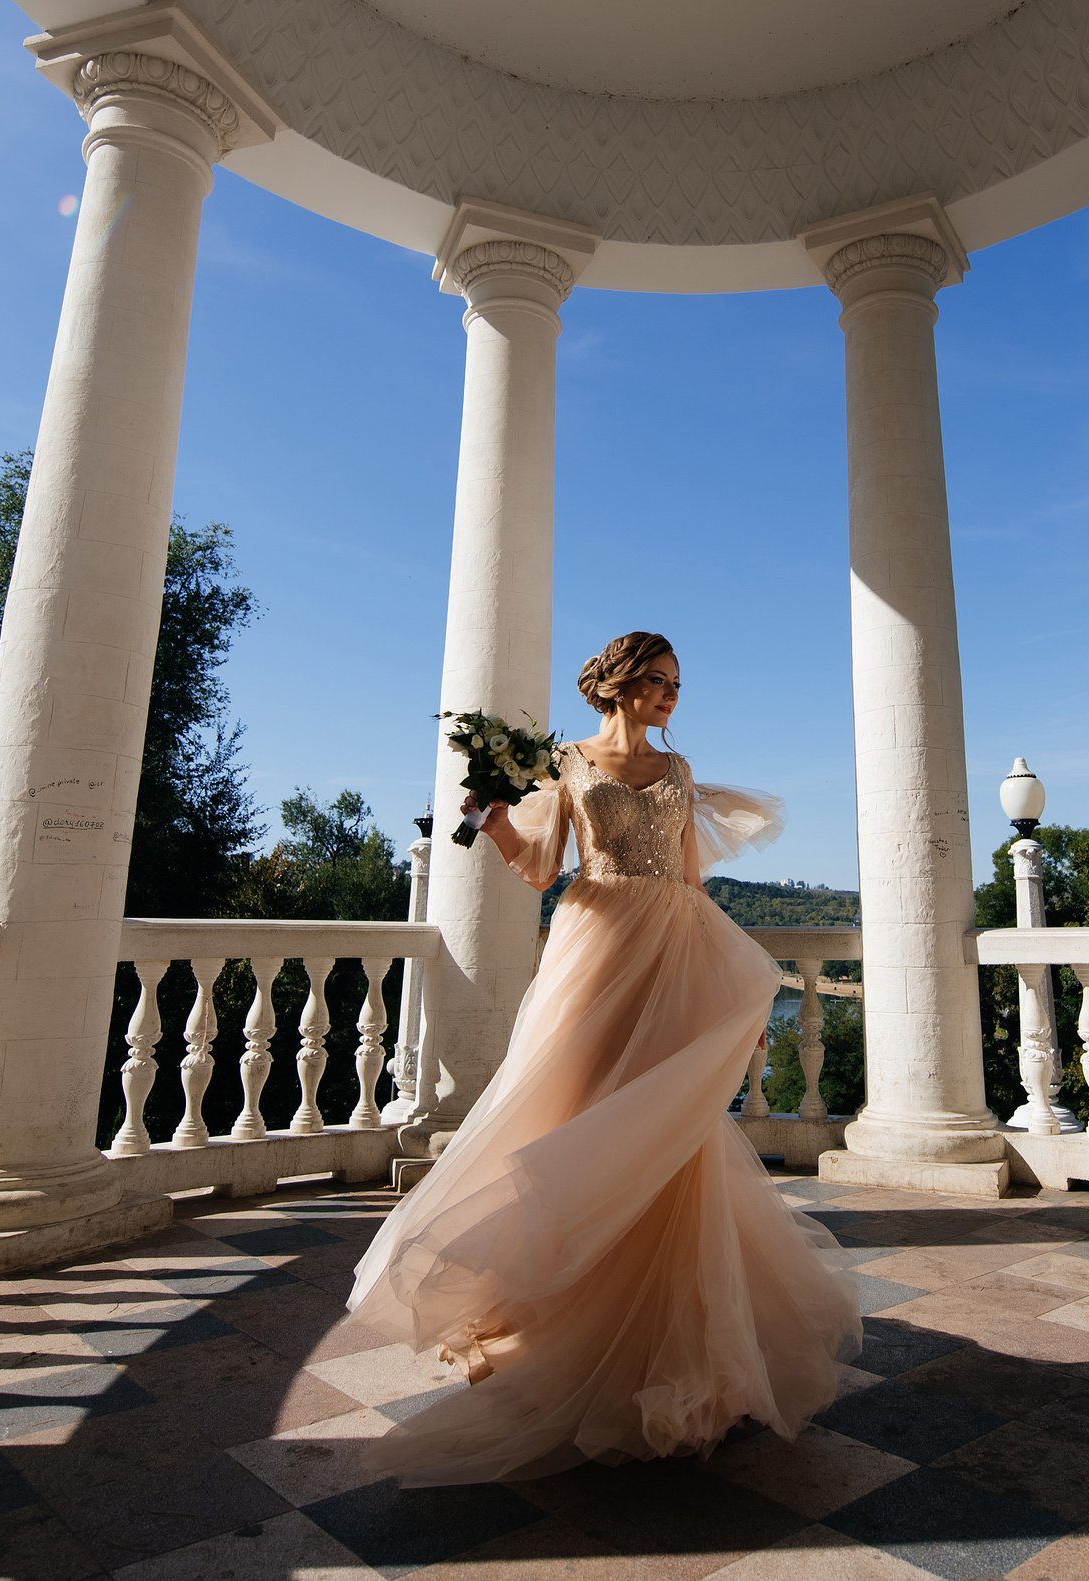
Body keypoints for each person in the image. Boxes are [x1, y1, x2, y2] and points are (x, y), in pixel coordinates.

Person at [346, 631, 864, 1485]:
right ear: (618, 685)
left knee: (668, 1132)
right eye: (657, 682)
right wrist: (494, 818)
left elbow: (691, 882)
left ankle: (676, 1341)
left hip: (672, 948)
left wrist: (731, 994)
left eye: (676, 684)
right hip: (594, 951)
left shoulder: (679, 769)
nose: (670, 696)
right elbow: (542, 868)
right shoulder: (567, 763)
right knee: (577, 1115)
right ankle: (560, 1323)